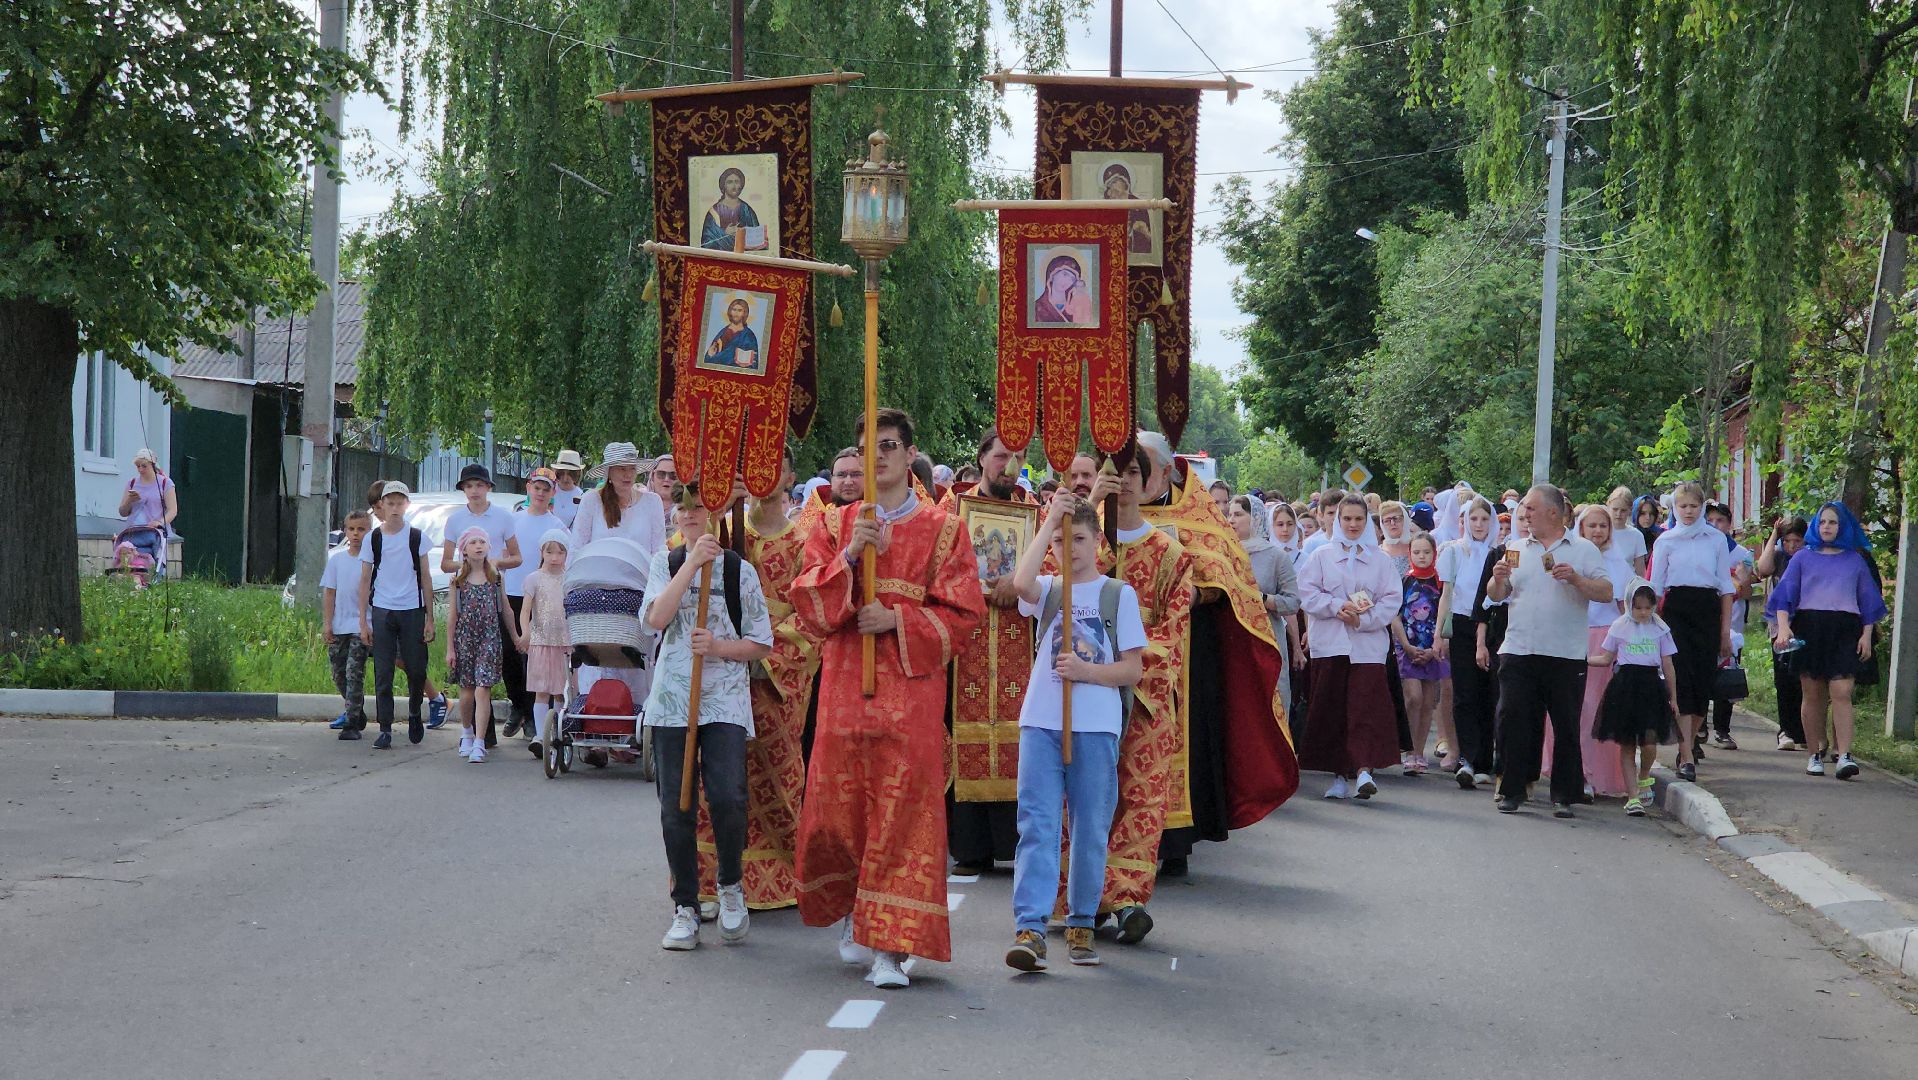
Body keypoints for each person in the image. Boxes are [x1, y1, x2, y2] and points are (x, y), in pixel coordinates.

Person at [789, 408, 985, 989]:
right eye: (869, 445)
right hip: (846, 694)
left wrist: (896, 619)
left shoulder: (944, 528)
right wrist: (851, 557)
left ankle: (890, 948)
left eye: (891, 445)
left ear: (909, 454)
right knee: (836, 816)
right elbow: (807, 602)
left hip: (910, 699)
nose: (879, 456)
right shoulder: (832, 524)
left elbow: (965, 614)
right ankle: (855, 910)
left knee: (903, 819)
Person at [1138, 432, 1299, 875]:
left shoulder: (1197, 512)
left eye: (1142, 466)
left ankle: (1175, 845)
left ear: (1166, 469)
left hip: (1189, 654)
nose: (1135, 476)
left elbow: (1229, 576)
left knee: (1184, 743)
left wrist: (1198, 594)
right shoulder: (1111, 510)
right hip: (1126, 651)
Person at [1003, 495, 1146, 971]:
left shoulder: (1116, 595)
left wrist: (1087, 672)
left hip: (1094, 725)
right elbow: (1019, 584)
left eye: (1079, 539)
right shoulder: (1048, 588)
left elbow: (1131, 670)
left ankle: (1082, 920)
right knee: (1036, 825)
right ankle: (1031, 927)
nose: (1071, 549)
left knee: (1089, 827)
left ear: (1097, 541)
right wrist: (1048, 525)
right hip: (1041, 720)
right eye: (1063, 541)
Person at [643, 488, 775, 949]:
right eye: (682, 507)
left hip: (724, 700)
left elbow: (760, 642)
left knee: (727, 796)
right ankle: (684, 905)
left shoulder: (741, 572)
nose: (690, 515)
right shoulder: (665, 562)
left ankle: (731, 885)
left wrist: (718, 648)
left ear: (715, 511)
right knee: (676, 806)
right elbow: (656, 619)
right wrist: (690, 566)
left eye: (698, 506)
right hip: (673, 699)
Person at [693, 459, 816, 914]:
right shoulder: (720, 532)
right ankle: (710, 880)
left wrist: (764, 655)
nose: (764, 475)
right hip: (719, 674)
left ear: (789, 478)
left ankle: (781, 878)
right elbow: (683, 572)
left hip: (773, 680)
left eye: (777, 466)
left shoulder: (806, 542)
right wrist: (716, 509)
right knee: (715, 780)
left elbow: (812, 614)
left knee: (777, 773)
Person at [941, 430, 1038, 876]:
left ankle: (1015, 844)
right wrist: (977, 589)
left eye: (1018, 457)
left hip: (1021, 644)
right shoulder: (951, 511)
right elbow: (934, 562)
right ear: (981, 459)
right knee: (965, 736)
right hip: (966, 645)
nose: (1010, 465)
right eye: (1001, 456)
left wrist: (1017, 586)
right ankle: (972, 846)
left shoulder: (1035, 516)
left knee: (1021, 740)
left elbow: (1053, 567)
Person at [1485, 485, 1613, 817]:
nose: (1523, 514)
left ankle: (1564, 795)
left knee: (1566, 724)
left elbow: (1605, 591)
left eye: (1530, 508)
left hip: (1565, 653)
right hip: (1519, 648)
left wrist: (1577, 580)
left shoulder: (1583, 549)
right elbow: (1498, 594)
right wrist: (1498, 579)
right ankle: (1512, 790)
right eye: (1523, 508)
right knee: (1514, 719)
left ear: (1552, 513)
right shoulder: (1515, 547)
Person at [1767, 502, 1886, 782]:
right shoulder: (1802, 558)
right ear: (1815, 526)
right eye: (1822, 522)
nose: (1827, 527)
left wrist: (1866, 635)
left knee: (1842, 691)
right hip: (1810, 627)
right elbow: (1784, 597)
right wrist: (1784, 628)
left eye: (1832, 522)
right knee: (1813, 694)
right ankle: (1814, 754)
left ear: (1842, 526)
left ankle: (1844, 755)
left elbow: (1868, 602)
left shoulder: (1855, 560)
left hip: (1845, 629)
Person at [1296, 494, 1404, 800]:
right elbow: (1307, 593)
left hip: (1367, 648)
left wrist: (1364, 620)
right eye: (1347, 519)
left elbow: (1391, 599)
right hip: (1330, 645)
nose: (1353, 525)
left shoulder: (1380, 560)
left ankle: (1363, 770)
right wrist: (1335, 605)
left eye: (1359, 519)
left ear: (1366, 522)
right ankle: (1339, 775)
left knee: (1364, 707)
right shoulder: (1321, 556)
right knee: (1334, 710)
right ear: (1337, 521)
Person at [1649, 483, 1734, 783]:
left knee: (1702, 685)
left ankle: (1690, 737)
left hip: (1707, 611)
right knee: (1682, 683)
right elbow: (1656, 587)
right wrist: (1652, 627)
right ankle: (1686, 755)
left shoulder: (1716, 540)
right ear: (1674, 508)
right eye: (1682, 506)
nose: (1687, 511)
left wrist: (1725, 631)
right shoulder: (1666, 541)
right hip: (1677, 612)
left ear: (1702, 508)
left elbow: (1725, 587)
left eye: (1693, 506)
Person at [1555, 504, 1636, 800]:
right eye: (1592, 526)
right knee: (1581, 709)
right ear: (1582, 529)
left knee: (1602, 711)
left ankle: (1601, 773)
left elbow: (1626, 608)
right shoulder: (1573, 556)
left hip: (1607, 640)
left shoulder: (1619, 563)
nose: (1598, 531)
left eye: (1604, 526)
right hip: (1577, 635)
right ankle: (1581, 772)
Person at [362, 480, 449, 729]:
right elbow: (365, 579)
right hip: (382, 608)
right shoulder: (373, 538)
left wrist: (430, 618)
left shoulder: (416, 537)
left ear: (407, 504)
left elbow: (426, 577)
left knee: (415, 667)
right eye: (390, 503)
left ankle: (414, 715)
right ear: (382, 505)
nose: (395, 507)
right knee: (383, 671)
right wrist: (363, 620)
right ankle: (385, 727)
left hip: (411, 608)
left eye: (400, 502)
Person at [1590, 582, 1683, 815]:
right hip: (1625, 687)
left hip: (1651, 687)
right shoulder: (1619, 627)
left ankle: (1644, 777)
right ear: (1629, 605)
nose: (1643, 613)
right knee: (1628, 743)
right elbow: (1605, 658)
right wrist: (1581, 658)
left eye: (1647, 608)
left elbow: (1668, 664)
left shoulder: (1661, 629)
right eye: (1638, 607)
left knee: (1649, 743)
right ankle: (1633, 797)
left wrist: (1673, 697)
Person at [1438, 496, 1498, 782]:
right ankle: (1468, 759)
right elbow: (1447, 595)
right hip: (1462, 624)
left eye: (1484, 519)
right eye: (1473, 519)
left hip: (1491, 625)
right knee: (1464, 694)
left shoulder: (1500, 551)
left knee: (1489, 692)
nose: (1478, 524)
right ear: (1463, 522)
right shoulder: (1454, 551)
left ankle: (1486, 760)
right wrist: (1440, 634)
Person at [501, 468, 562, 739]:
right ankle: (517, 706)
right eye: (536, 487)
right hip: (512, 593)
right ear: (528, 488)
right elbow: (503, 555)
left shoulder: (557, 526)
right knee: (509, 655)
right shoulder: (513, 521)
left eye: (546, 488)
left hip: (542, 598)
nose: (540, 492)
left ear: (553, 493)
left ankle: (531, 716)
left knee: (532, 659)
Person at [1231, 495, 1302, 719]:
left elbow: (1292, 602)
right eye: (1229, 514)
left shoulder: (1275, 556)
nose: (1231, 520)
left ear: (1256, 518)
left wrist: (1262, 598)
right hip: (1232, 640)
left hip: (1267, 639)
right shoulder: (1224, 553)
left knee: (1272, 704)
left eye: (1238, 514)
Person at [445, 527, 508, 763]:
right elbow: (452, 616)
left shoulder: (496, 577)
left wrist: (516, 636)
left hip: (489, 638)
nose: (478, 546)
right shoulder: (458, 580)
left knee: (483, 687)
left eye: (482, 541)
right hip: (465, 638)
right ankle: (467, 732)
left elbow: (506, 610)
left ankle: (480, 742)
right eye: (473, 542)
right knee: (467, 690)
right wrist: (450, 648)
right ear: (464, 550)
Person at [1392, 532, 1449, 775]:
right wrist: (1405, 645)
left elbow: (1445, 617)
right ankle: (1407, 750)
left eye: (1426, 552)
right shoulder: (1404, 581)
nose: (1422, 556)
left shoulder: (1440, 583)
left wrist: (1435, 645)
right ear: (1409, 554)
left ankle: (1419, 752)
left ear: (1434, 554)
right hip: (1408, 647)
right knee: (1412, 697)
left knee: (1428, 702)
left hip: (1432, 649)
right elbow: (1394, 615)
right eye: (1417, 552)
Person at [512, 529, 571, 758]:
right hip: (541, 641)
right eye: (550, 551)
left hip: (565, 643)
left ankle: (556, 731)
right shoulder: (534, 578)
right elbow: (525, 610)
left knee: (560, 692)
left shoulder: (569, 578)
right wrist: (525, 633)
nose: (554, 557)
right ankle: (539, 734)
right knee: (542, 691)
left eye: (560, 552)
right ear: (542, 552)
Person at [1703, 502, 1755, 750]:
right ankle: (1699, 725)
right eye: (1710, 520)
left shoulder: (1742, 554)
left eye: (1720, 521)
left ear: (1729, 524)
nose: (1715, 525)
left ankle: (1722, 729)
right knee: (1700, 675)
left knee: (1727, 678)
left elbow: (1746, 593)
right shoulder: (1699, 549)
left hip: (1732, 627)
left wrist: (1743, 582)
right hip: (1703, 625)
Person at [1755, 516, 1810, 750]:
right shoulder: (1779, 558)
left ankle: (1804, 730)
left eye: (1796, 541)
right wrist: (1773, 537)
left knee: (1804, 679)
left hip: (1805, 622)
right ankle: (1786, 729)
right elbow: (1763, 569)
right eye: (1787, 541)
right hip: (1779, 626)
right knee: (1783, 677)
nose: (1791, 546)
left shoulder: (1810, 559)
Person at [321, 510, 373, 740]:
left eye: (361, 529)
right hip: (339, 624)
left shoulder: (371, 561)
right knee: (338, 673)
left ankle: (351, 724)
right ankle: (357, 710)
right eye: (352, 529)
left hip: (361, 626)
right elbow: (330, 593)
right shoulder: (337, 560)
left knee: (354, 672)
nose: (355, 534)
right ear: (345, 531)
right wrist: (327, 623)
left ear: (369, 532)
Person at [573, 442, 669, 552]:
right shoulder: (591, 500)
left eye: (632, 468)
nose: (628, 474)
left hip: (642, 569)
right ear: (609, 472)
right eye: (622, 468)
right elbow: (577, 547)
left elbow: (659, 550)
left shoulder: (652, 502)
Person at [116, 448, 178, 572]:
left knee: (155, 560)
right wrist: (130, 500)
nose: (140, 470)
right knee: (131, 561)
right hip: (133, 531)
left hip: (154, 531)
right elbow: (123, 512)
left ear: (153, 465)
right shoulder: (132, 483)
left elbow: (173, 510)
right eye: (138, 466)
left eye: (144, 466)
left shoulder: (165, 483)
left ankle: (155, 577)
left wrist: (160, 522)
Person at [700, 166, 766, 251]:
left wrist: (741, 235)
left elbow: (757, 242)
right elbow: (706, 243)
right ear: (724, 186)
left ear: (741, 186)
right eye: (730, 182)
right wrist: (725, 234)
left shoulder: (747, 210)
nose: (734, 186)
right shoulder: (714, 212)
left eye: (737, 182)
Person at [1606, 486, 1650, 577]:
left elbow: (1640, 570)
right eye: (1615, 509)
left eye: (1623, 510)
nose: (1618, 514)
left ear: (1630, 510)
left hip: (1628, 586)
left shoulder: (1636, 535)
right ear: (1608, 506)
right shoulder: (1600, 532)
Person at [550, 449, 587, 528]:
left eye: (571, 474)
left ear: (577, 475)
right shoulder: (548, 491)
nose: (565, 478)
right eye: (561, 473)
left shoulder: (582, 498)